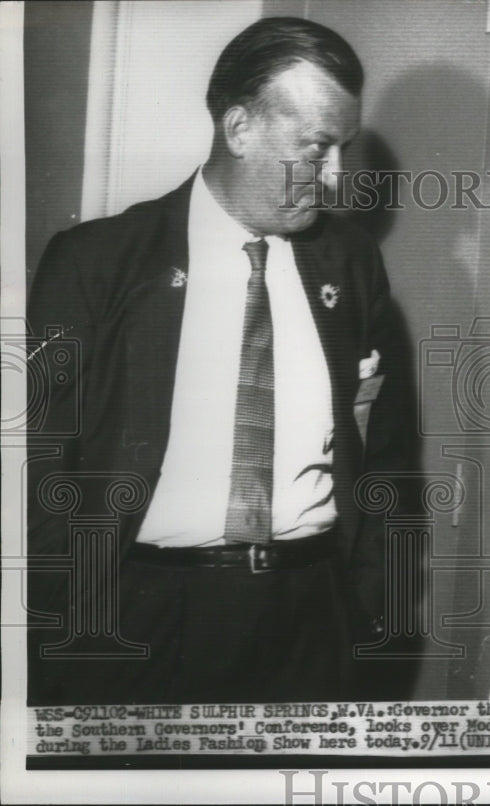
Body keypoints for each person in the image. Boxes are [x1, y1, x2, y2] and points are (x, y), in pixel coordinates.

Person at [26, 17, 413, 704]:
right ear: (240, 130)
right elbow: (38, 467)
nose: (335, 178)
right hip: (141, 615)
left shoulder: (350, 265)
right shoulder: (98, 263)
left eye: (344, 150)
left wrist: (370, 610)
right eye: (317, 148)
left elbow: (386, 461)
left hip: (310, 623)